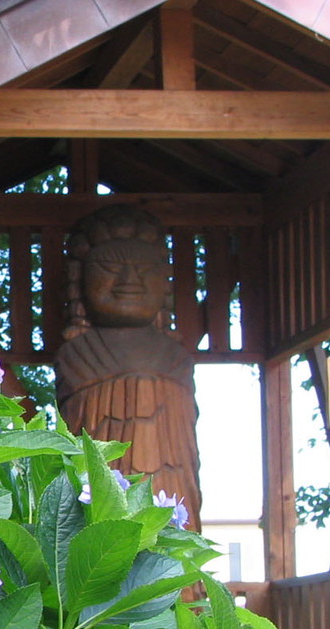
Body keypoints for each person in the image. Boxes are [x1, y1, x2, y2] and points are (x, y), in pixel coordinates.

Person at [55, 205, 201, 530]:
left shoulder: (176, 357)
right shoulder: (77, 354)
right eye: (110, 267)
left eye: (145, 268)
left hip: (172, 486)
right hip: (99, 498)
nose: (130, 280)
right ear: (81, 280)